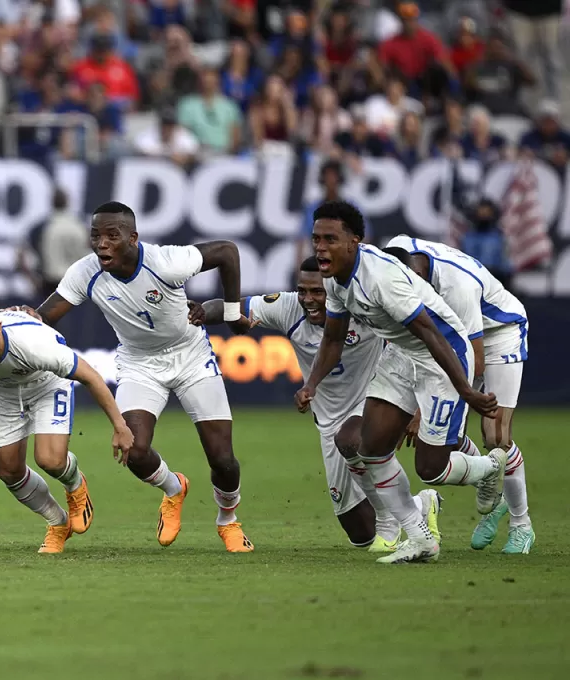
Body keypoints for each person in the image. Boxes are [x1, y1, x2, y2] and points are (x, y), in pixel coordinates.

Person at [18, 201, 255, 553]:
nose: (101, 244)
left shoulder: (164, 261)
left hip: (190, 356)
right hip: (139, 363)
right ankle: (174, 489)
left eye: (112, 236)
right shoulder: (85, 272)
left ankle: (228, 521)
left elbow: (227, 252)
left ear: (133, 237)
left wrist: (233, 313)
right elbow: (46, 315)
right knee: (134, 450)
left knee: (222, 458)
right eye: (95, 236)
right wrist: (24, 320)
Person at [296, 201, 501, 565]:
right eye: (316, 239)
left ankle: (490, 468)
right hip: (402, 356)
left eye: (330, 238)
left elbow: (431, 333)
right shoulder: (334, 279)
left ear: (354, 242)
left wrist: (467, 390)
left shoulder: (380, 278)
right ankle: (421, 538)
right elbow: (332, 339)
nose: (320, 247)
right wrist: (312, 384)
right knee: (370, 448)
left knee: (431, 469)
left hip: (443, 356)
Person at [189, 258, 440, 552]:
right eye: (302, 291)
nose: (308, 299)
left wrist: (421, 405)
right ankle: (420, 504)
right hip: (327, 418)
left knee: (350, 440)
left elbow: (420, 342)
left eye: (317, 292)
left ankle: (391, 519)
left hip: (373, 399)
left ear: (332, 290)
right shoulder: (287, 307)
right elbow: (234, 306)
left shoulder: (362, 305)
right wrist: (201, 312)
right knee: (360, 534)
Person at [0, 295, 133, 553]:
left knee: (50, 460)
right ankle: (57, 522)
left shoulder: (35, 344)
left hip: (46, 383)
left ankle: (75, 484)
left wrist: (120, 426)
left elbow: (91, 377)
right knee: (8, 471)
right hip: (0, 391)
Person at [383, 237, 535, 554]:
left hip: (498, 333)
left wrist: (424, 410)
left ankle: (522, 525)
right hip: (454, 341)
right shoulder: (395, 254)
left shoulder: (456, 288)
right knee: (448, 438)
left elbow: (474, 363)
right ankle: (490, 481)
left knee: (495, 434)